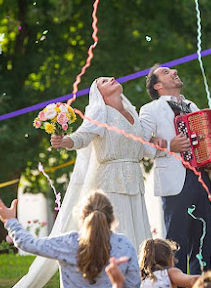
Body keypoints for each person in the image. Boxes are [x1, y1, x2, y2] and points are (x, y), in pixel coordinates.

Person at [15, 77, 163, 287]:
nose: (111, 78)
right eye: (104, 80)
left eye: (110, 77)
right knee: (119, 231)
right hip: (112, 180)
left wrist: (164, 146)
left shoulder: (132, 113)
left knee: (140, 232)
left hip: (135, 180)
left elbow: (143, 148)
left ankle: (143, 280)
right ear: (99, 93)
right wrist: (64, 141)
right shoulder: (100, 111)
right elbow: (83, 137)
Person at [139, 64, 211, 275]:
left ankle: (202, 281)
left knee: (202, 238)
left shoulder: (193, 106)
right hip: (175, 180)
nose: (174, 72)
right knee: (176, 240)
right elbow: (139, 144)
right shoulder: (150, 109)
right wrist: (170, 146)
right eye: (166, 72)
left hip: (203, 176)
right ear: (158, 85)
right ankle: (177, 281)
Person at [0, 191, 141, 288]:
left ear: (81, 217)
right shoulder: (125, 245)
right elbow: (134, 284)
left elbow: (27, 244)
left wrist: (10, 221)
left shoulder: (68, 243)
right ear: (112, 217)